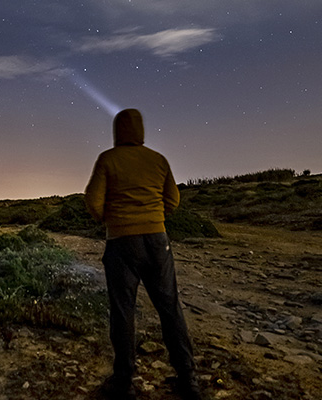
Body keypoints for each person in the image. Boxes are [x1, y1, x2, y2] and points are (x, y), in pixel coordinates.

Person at [85, 109, 202, 400]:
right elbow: (173, 200)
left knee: (123, 311)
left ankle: (124, 381)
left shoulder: (108, 159)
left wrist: (110, 218)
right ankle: (188, 378)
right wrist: (154, 216)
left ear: (117, 131)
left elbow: (93, 201)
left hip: (122, 242)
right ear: (140, 131)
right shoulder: (158, 160)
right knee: (169, 306)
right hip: (157, 239)